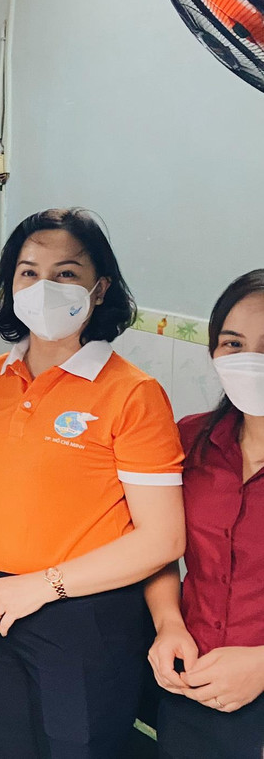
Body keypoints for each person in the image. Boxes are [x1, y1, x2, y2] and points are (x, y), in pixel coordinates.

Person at [0, 208, 186, 758]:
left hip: (84, 616)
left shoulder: (132, 394)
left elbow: (163, 538)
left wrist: (45, 586)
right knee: (7, 746)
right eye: (28, 272)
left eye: (66, 273)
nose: (44, 287)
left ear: (100, 289)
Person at [146, 269, 264, 758]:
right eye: (233, 344)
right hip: (191, 678)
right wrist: (169, 624)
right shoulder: (189, 440)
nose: (251, 361)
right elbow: (158, 548)